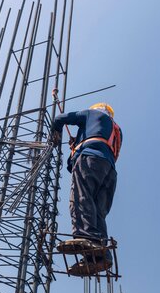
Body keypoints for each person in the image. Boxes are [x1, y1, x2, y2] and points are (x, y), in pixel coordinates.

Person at [50, 102, 123, 275]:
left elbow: (60, 118)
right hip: (109, 171)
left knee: (81, 198)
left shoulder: (92, 114)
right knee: (98, 212)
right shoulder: (116, 130)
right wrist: (76, 147)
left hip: (90, 159)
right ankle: (100, 255)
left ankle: (85, 237)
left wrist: (56, 133)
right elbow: (97, 145)